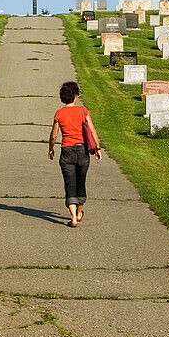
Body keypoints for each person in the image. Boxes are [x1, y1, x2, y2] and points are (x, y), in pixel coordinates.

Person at [48, 81, 102, 227]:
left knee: (69, 183)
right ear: (76, 96)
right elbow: (91, 131)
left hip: (67, 152)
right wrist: (97, 148)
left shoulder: (59, 113)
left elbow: (54, 136)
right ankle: (79, 213)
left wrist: (51, 149)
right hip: (82, 151)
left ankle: (72, 218)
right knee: (81, 182)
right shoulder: (83, 111)